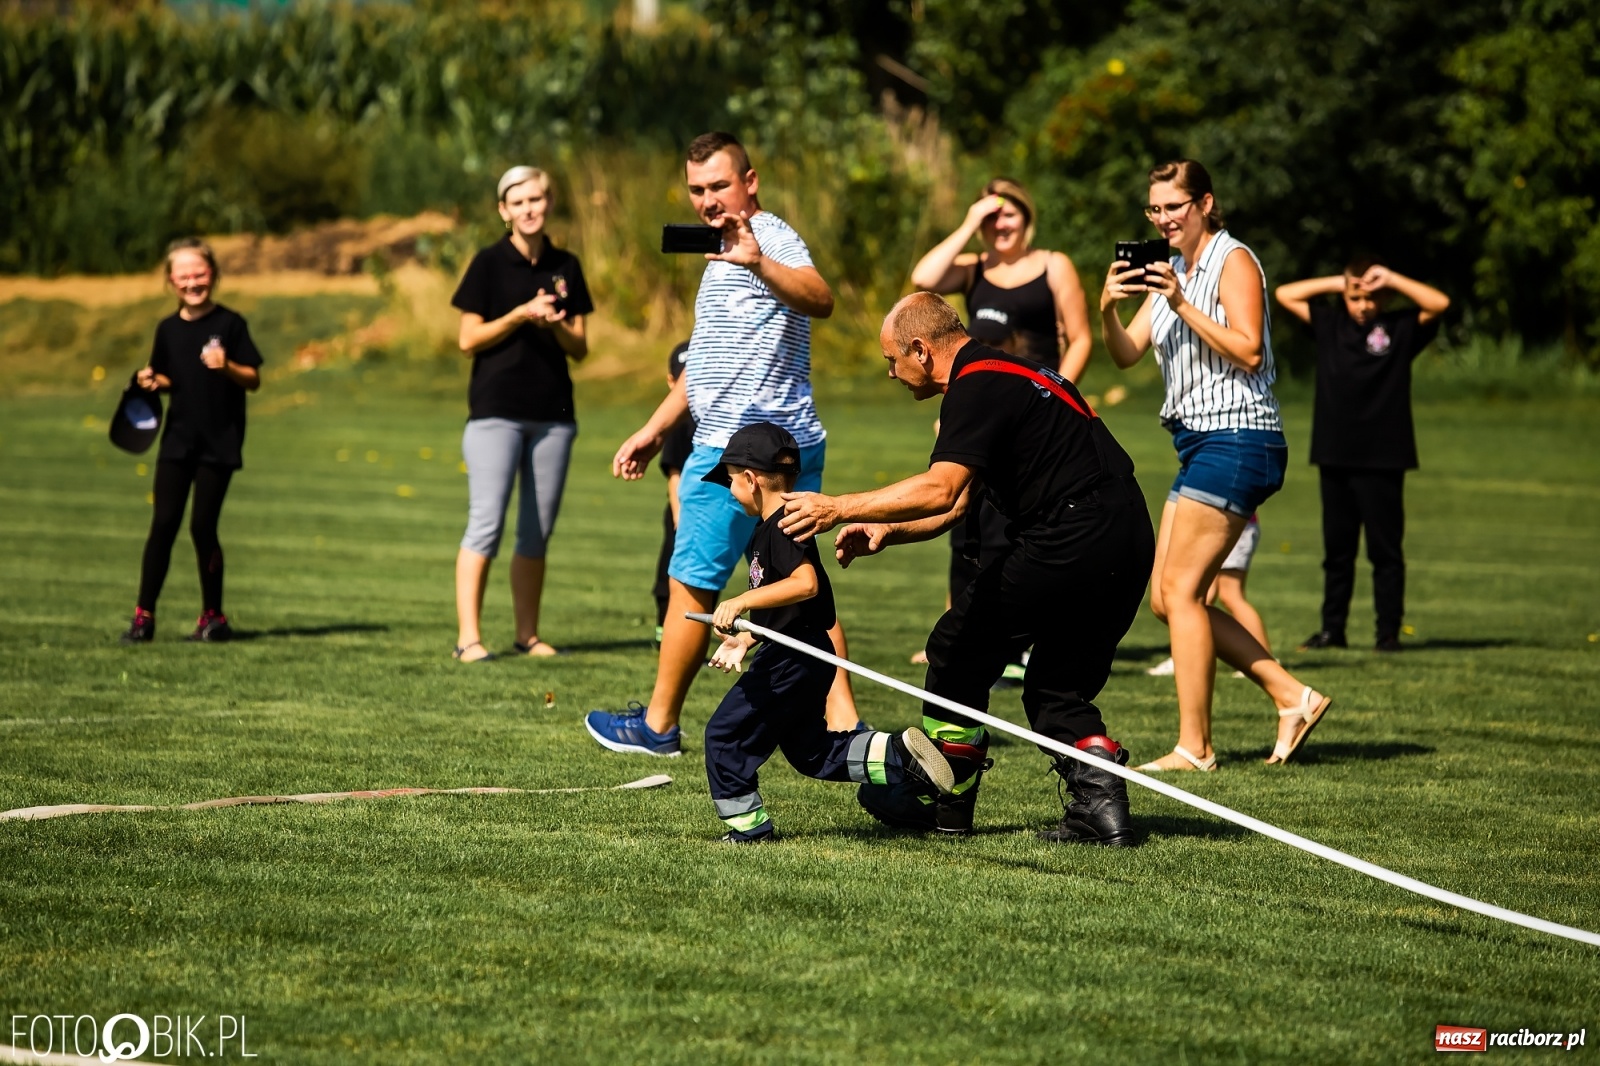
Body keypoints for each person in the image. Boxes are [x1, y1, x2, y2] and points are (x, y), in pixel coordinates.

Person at [779, 293, 1155, 844]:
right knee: (1057, 685)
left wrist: (838, 506)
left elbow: (941, 486)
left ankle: (940, 799)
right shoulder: (1015, 373)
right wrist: (891, 530)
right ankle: (1102, 809)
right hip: (1127, 534)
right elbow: (956, 505)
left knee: (957, 649)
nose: (890, 373)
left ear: (920, 349)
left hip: (1069, 531)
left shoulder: (975, 386)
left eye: (892, 360)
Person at [586, 131, 858, 757]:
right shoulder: (720, 254)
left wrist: (759, 261)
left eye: (719, 185)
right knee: (803, 583)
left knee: (692, 580)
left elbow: (822, 299)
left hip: (741, 452)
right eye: (697, 189)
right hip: (773, 441)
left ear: (750, 181)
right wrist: (655, 429)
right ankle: (843, 724)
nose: (707, 200)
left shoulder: (771, 240)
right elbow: (704, 365)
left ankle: (657, 727)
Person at [1099, 159, 1331, 770]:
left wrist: (1181, 303)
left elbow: (1250, 350)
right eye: (1154, 209)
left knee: (1181, 592)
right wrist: (1106, 309)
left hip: (1240, 437)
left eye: (1174, 206)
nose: (1163, 219)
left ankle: (1195, 747)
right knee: (1169, 599)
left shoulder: (1234, 261)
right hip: (1199, 443)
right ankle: (1292, 696)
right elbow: (1125, 354)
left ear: (1204, 204)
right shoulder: (1169, 271)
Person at [699, 423, 953, 842]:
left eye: (729, 480)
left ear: (750, 478)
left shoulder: (782, 523)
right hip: (805, 654)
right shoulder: (776, 525)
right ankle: (899, 757)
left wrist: (740, 601)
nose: (729, 491)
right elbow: (787, 606)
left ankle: (749, 830)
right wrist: (745, 637)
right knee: (811, 754)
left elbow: (806, 584)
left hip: (794, 659)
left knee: (725, 734)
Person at [909, 179, 1094, 667]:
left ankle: (1024, 637)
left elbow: (1079, 339)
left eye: (1007, 214)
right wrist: (970, 221)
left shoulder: (1054, 265)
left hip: (1036, 417)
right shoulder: (974, 271)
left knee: (1019, 523)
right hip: (980, 414)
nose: (999, 225)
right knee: (965, 519)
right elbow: (922, 277)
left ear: (1027, 216)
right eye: (991, 218)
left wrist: (1053, 396)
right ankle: (959, 630)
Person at [450, 165, 593, 663]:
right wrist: (517, 315)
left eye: (537, 199)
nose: (529, 208)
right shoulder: (488, 264)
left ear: (547, 203)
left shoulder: (566, 265)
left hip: (554, 416)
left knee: (536, 531)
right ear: (503, 210)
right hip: (495, 413)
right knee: (486, 524)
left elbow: (580, 348)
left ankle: (527, 635)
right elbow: (467, 340)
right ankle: (468, 638)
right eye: (519, 201)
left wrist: (552, 323)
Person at [1275, 259, 1449, 652]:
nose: (1363, 305)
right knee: (1337, 552)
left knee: (1385, 551)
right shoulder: (1329, 325)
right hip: (1335, 453)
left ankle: (1387, 632)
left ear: (1385, 297)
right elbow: (1285, 294)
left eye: (1372, 297)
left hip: (1385, 456)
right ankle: (1332, 630)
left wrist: (1393, 277)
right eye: (1356, 297)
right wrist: (1342, 281)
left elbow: (1439, 303)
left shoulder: (1400, 328)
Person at [120, 238, 263, 644]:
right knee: (163, 524)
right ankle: (143, 617)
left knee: (203, 527)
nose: (192, 281)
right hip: (177, 441)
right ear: (171, 281)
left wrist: (227, 366)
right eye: (183, 275)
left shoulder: (231, 325)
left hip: (219, 442)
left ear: (213, 274)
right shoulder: (167, 329)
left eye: (199, 273)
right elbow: (170, 377)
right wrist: (151, 380)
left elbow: (253, 379)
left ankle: (213, 618)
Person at [1146, 513, 1269, 676]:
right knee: (1200, 596)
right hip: (1221, 525)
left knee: (1230, 595)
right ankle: (1185, 658)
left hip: (1229, 524)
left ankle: (1265, 661)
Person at [651, 340, 695, 647]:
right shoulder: (679, 424)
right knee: (672, 563)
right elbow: (674, 472)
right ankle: (664, 625)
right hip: (683, 508)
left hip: (713, 505)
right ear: (671, 382)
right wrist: (681, 516)